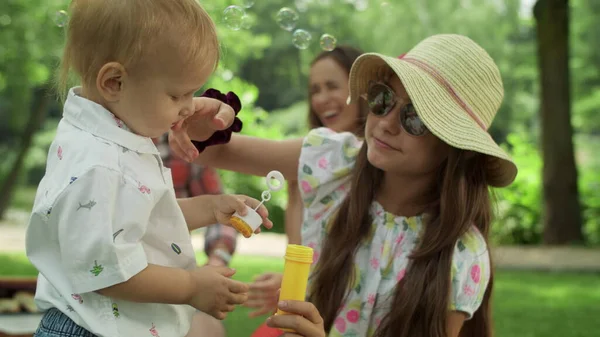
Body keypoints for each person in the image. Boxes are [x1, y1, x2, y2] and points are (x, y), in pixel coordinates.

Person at [169, 34, 518, 337]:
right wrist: (204, 120)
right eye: (383, 100)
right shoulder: (337, 161)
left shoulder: (463, 255)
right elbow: (220, 151)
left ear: (454, 147)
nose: (386, 124)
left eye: (415, 118)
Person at [24, 1, 272, 336]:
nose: (189, 107)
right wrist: (190, 286)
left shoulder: (115, 138)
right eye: (177, 95)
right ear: (114, 82)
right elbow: (107, 273)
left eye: (192, 92)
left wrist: (211, 207)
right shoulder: (100, 165)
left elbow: (137, 221)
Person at [243, 46, 366, 336]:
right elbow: (300, 258)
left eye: (332, 86)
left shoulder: (376, 164)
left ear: (361, 90)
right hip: (308, 311)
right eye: (315, 90)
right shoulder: (307, 170)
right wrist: (290, 284)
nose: (322, 99)